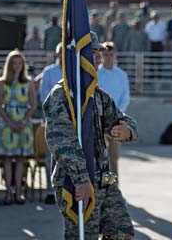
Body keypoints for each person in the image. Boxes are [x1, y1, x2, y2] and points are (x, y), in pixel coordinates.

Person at [44, 32, 137, 239]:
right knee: (84, 236)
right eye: (92, 52)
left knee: (123, 232)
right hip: (76, 181)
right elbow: (61, 142)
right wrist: (82, 179)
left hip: (106, 178)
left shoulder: (97, 94)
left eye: (99, 52)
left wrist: (127, 131)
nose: (98, 57)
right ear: (77, 56)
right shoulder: (62, 95)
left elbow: (124, 119)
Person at [0, 49, 37, 205]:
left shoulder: (29, 82)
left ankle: (19, 191)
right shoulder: (1, 82)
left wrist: (24, 121)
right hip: (6, 123)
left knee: (20, 158)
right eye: (14, 63)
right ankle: (8, 192)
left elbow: (33, 105)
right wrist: (10, 122)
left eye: (19, 62)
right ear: (9, 64)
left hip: (23, 123)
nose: (17, 66)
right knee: (7, 158)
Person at [97, 42, 131, 176]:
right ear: (101, 55)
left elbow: (125, 97)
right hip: (99, 120)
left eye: (111, 54)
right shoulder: (96, 74)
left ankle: (115, 191)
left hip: (116, 121)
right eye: (106, 54)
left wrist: (118, 114)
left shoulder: (121, 75)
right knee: (100, 158)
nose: (109, 57)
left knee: (114, 158)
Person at [37, 42, 63, 205]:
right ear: (56, 54)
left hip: (69, 121)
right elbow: (44, 95)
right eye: (60, 53)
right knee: (50, 158)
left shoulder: (73, 70)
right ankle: (50, 190)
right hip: (52, 119)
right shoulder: (48, 72)